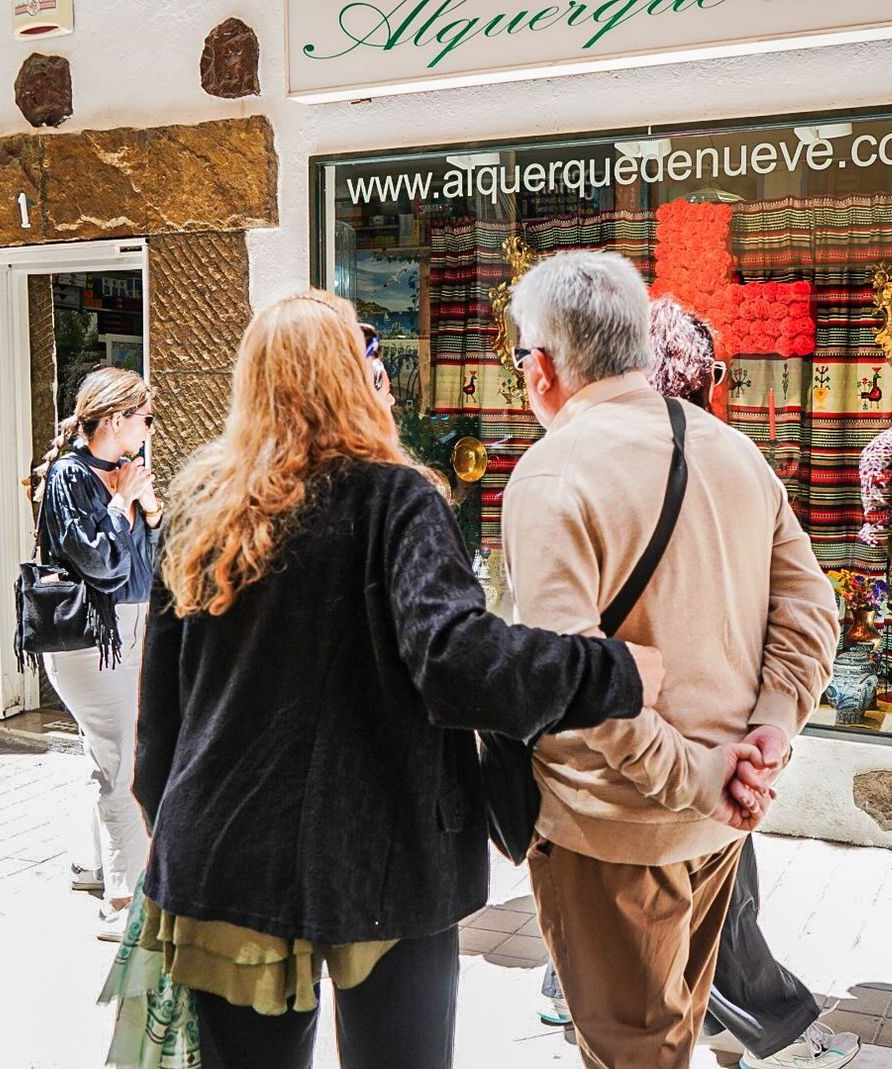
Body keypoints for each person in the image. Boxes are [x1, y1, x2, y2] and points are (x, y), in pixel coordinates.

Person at [132, 290, 670, 1069]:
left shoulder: (201, 506)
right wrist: (614, 671)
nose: (383, 372)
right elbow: (455, 656)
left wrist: (174, 832)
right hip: (385, 856)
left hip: (224, 851)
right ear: (353, 379)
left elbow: (162, 717)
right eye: (370, 355)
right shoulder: (397, 498)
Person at [502, 252, 841, 1068]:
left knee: (633, 1053)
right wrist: (767, 735)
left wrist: (709, 769)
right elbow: (813, 609)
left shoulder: (551, 472)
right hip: (719, 817)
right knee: (671, 1038)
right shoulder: (734, 452)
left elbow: (578, 681)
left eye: (520, 358)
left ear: (541, 367)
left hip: (613, 828)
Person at [31, 366, 160, 942]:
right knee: (123, 762)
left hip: (130, 629)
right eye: (143, 418)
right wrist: (121, 504)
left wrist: (150, 513)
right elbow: (101, 565)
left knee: (111, 753)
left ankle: (92, 864)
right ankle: (123, 899)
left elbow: (145, 567)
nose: (148, 429)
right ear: (113, 418)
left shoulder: (121, 473)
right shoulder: (70, 477)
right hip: (87, 640)